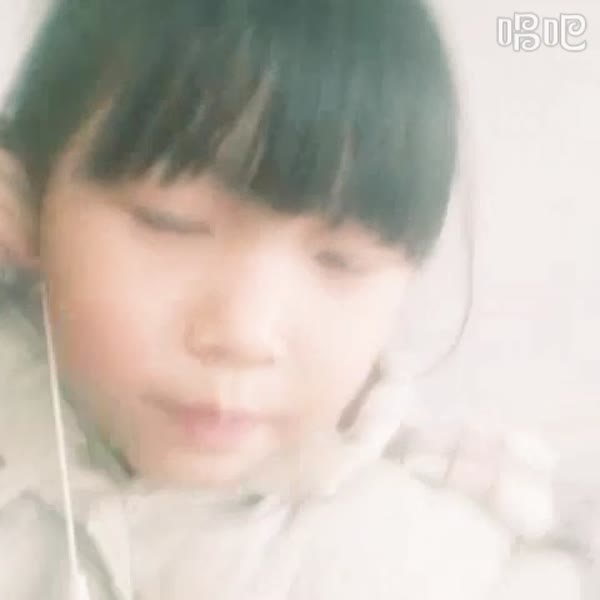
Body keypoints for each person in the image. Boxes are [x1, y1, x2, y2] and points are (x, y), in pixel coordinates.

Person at [0, 0, 584, 598]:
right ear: (32, 199)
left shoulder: (449, 557)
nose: (244, 334)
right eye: (171, 223)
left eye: (341, 261)